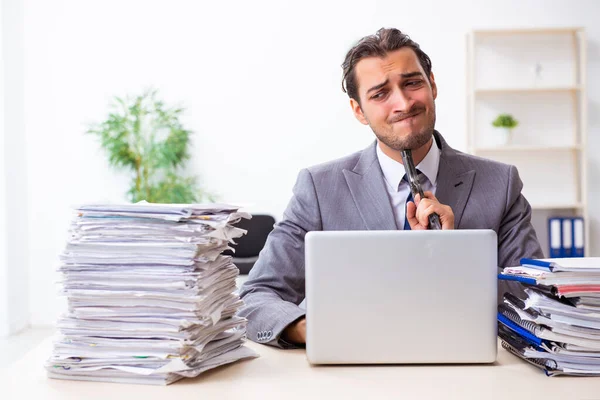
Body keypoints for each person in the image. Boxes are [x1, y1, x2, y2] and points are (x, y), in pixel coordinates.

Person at [237, 27, 543, 348]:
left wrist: (457, 259)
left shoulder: (501, 183)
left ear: (432, 85)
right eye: (380, 94)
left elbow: (533, 300)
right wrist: (311, 329)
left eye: (412, 83)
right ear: (359, 111)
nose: (403, 102)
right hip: (351, 374)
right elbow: (257, 296)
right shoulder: (318, 188)